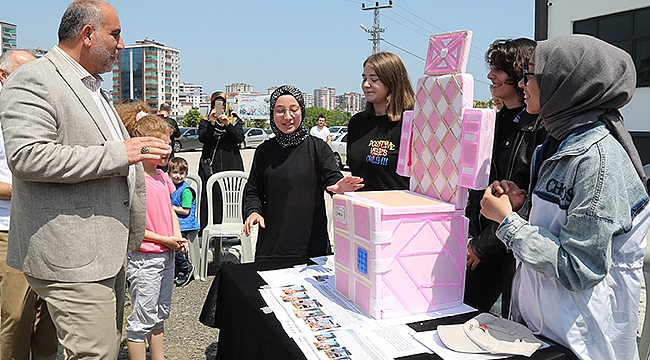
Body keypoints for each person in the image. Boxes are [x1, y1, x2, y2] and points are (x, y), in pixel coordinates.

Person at [0, 1, 171, 357]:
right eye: (116, 34)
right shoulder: (34, 78)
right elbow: (27, 156)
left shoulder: (91, 85)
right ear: (88, 34)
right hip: (71, 256)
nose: (121, 45)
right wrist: (121, 154)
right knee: (97, 353)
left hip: (105, 252)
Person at [480, 34, 650, 360]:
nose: (524, 83)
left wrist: (507, 221)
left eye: (532, 75)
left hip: (583, 341)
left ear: (564, 84)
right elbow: (558, 225)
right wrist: (521, 205)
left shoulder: (597, 161)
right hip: (550, 330)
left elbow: (579, 268)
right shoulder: (558, 143)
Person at [463, 38, 547, 317]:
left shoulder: (542, 127)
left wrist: (481, 245)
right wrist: (471, 237)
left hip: (513, 249)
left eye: (499, 69)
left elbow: (531, 200)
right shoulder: (492, 121)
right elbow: (477, 186)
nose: (491, 76)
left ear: (521, 72)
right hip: (481, 244)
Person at [242, 85, 364, 262]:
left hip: (311, 243)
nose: (287, 117)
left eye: (293, 110)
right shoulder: (264, 151)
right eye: (280, 110)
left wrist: (338, 186)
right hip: (273, 243)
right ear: (272, 113)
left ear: (302, 111)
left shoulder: (318, 148)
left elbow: (331, 178)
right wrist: (253, 211)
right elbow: (253, 191)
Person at [116, 101, 187, 360]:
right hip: (145, 258)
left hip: (165, 254)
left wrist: (176, 238)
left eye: (169, 143)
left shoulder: (161, 175)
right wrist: (167, 240)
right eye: (161, 144)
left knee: (158, 314)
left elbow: (169, 209)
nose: (167, 150)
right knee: (141, 321)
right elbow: (134, 227)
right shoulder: (133, 179)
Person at [0, 49, 58, 360]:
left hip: (46, 228)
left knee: (48, 317)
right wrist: (30, 189)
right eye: (26, 73)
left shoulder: (42, 113)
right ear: (3, 76)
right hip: (8, 230)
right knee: (16, 316)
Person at [347, 51, 414, 191]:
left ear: (391, 81)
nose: (366, 84)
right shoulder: (357, 122)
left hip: (398, 209)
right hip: (362, 207)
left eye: (374, 79)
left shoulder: (410, 123)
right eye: (364, 78)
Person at [198, 91, 245, 228]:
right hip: (211, 164)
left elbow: (239, 138)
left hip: (231, 162)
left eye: (222, 105)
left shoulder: (235, 121)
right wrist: (211, 123)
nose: (220, 108)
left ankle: (233, 228)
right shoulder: (205, 121)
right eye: (216, 104)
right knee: (211, 195)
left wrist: (227, 124)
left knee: (231, 195)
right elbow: (203, 138)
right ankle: (209, 228)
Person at [168, 157, 199, 286]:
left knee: (176, 246)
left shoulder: (185, 190)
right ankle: (176, 268)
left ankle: (185, 268)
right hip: (174, 222)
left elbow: (186, 211)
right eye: (175, 172)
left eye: (181, 173)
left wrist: (170, 207)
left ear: (186, 174)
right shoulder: (169, 187)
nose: (178, 176)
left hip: (185, 223)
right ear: (169, 173)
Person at [158, 102, 181, 171]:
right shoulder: (172, 122)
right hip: (168, 153)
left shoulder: (154, 121)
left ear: (159, 110)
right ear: (170, 111)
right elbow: (178, 136)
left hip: (156, 151)